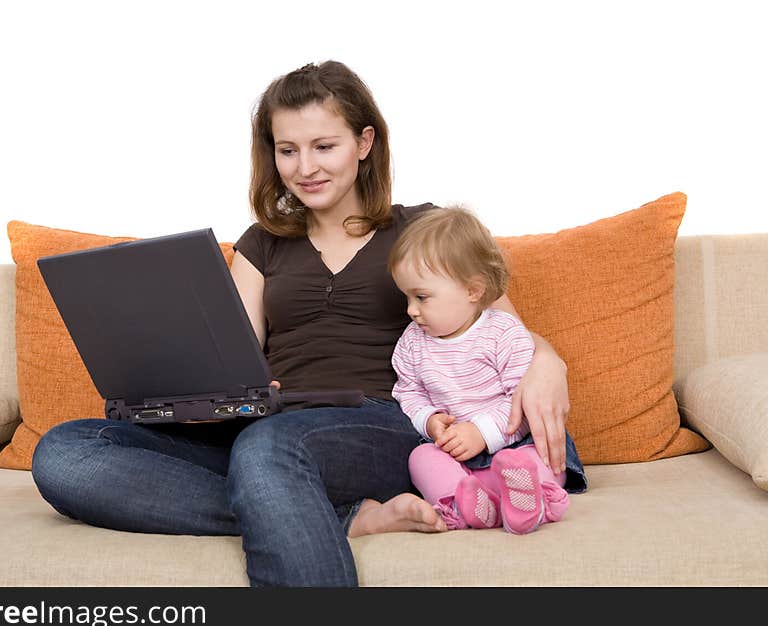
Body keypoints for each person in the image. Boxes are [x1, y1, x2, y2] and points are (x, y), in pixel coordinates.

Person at [31, 60, 578, 587]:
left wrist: (549, 362)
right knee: (66, 453)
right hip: (266, 425)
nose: (305, 167)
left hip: (380, 423)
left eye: (324, 146)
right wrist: (203, 398)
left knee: (268, 450)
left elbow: (501, 327)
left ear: (365, 144)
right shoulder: (262, 244)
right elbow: (235, 358)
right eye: (288, 150)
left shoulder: (421, 229)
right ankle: (339, 517)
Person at [389, 206, 586, 534]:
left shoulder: (503, 334)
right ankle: (466, 503)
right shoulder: (412, 343)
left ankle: (531, 501)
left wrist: (481, 433)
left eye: (422, 297)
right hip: (460, 459)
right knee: (421, 457)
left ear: (472, 290)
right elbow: (407, 391)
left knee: (538, 458)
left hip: (515, 444)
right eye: (406, 297)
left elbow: (522, 403)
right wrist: (428, 419)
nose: (411, 310)